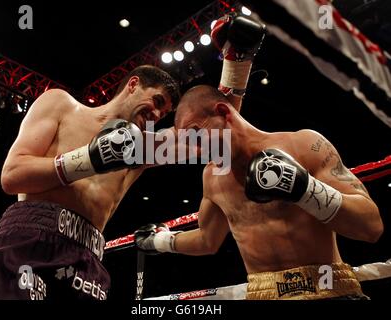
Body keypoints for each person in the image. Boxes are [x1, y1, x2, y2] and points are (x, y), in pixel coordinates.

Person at [135, 84, 384, 300]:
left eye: (198, 136)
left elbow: (371, 226)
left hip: (328, 287)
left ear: (223, 112)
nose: (199, 150)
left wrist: (305, 190)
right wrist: (160, 241)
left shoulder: (303, 145)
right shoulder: (212, 177)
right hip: (262, 292)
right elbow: (207, 240)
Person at [0, 65, 180, 300]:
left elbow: (216, 138)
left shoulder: (142, 149)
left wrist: (233, 63)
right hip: (30, 239)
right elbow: (12, 176)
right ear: (133, 85)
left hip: (87, 259)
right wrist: (89, 159)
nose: (156, 115)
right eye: (156, 101)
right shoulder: (61, 105)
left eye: (163, 114)